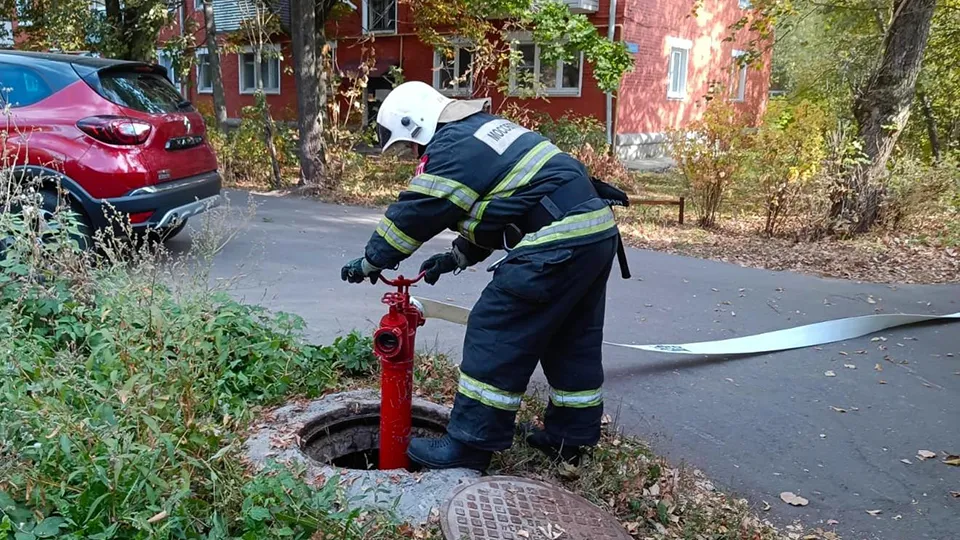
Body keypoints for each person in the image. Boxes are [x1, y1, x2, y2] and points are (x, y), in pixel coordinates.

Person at [340, 81, 629, 471]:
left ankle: (469, 446)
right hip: (593, 232)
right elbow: (505, 208)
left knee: (495, 327)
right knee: (572, 336)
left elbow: (416, 213)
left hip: (558, 239)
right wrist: (457, 255)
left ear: (418, 124)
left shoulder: (452, 147)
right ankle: (570, 439)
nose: (415, 153)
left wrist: (371, 261)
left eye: (411, 144)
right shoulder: (485, 131)